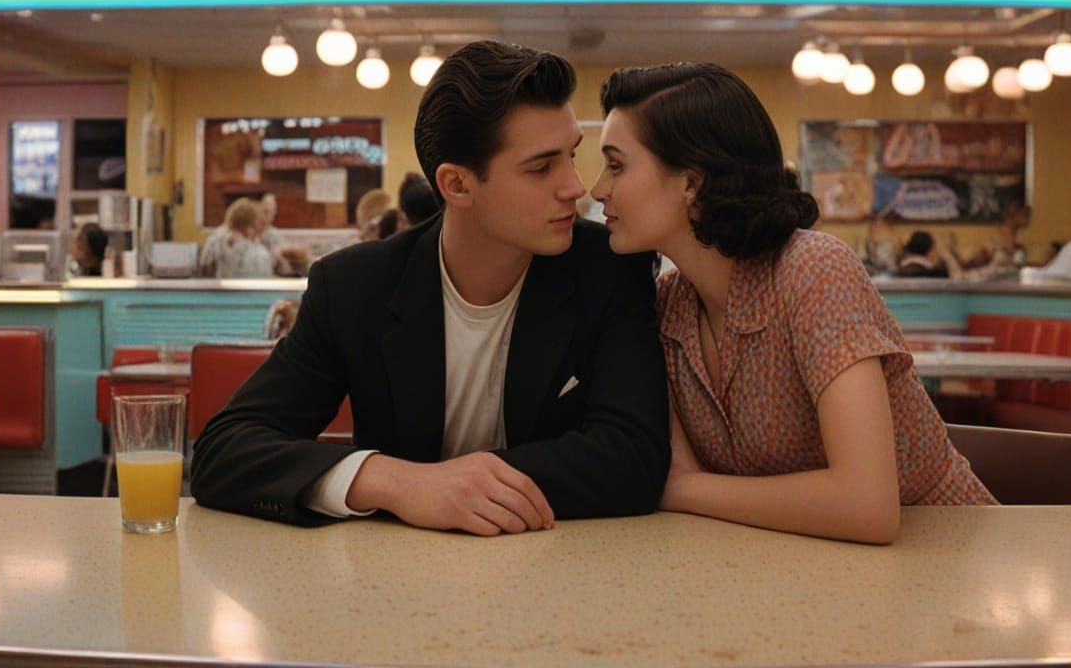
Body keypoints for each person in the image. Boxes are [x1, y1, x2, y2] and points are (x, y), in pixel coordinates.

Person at [191, 40, 669, 535]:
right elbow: (225, 449)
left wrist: (464, 486)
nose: (576, 186)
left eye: (571, 156)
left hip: (560, 572)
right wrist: (396, 482)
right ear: (457, 185)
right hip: (390, 581)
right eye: (542, 167)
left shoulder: (608, 268)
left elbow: (634, 457)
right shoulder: (356, 287)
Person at [588, 62, 994, 545]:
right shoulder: (668, 304)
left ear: (690, 182)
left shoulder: (812, 270)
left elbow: (867, 508)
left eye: (616, 165)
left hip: (954, 566)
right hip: (806, 578)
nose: (597, 189)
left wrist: (689, 490)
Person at [199, 198, 274, 278]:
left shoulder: (215, 238)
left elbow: (204, 266)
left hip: (217, 287)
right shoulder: (258, 253)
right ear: (249, 228)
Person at [895, 230, 962, 279]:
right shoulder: (934, 274)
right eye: (934, 249)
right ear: (930, 251)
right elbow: (960, 281)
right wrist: (948, 256)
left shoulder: (898, 272)